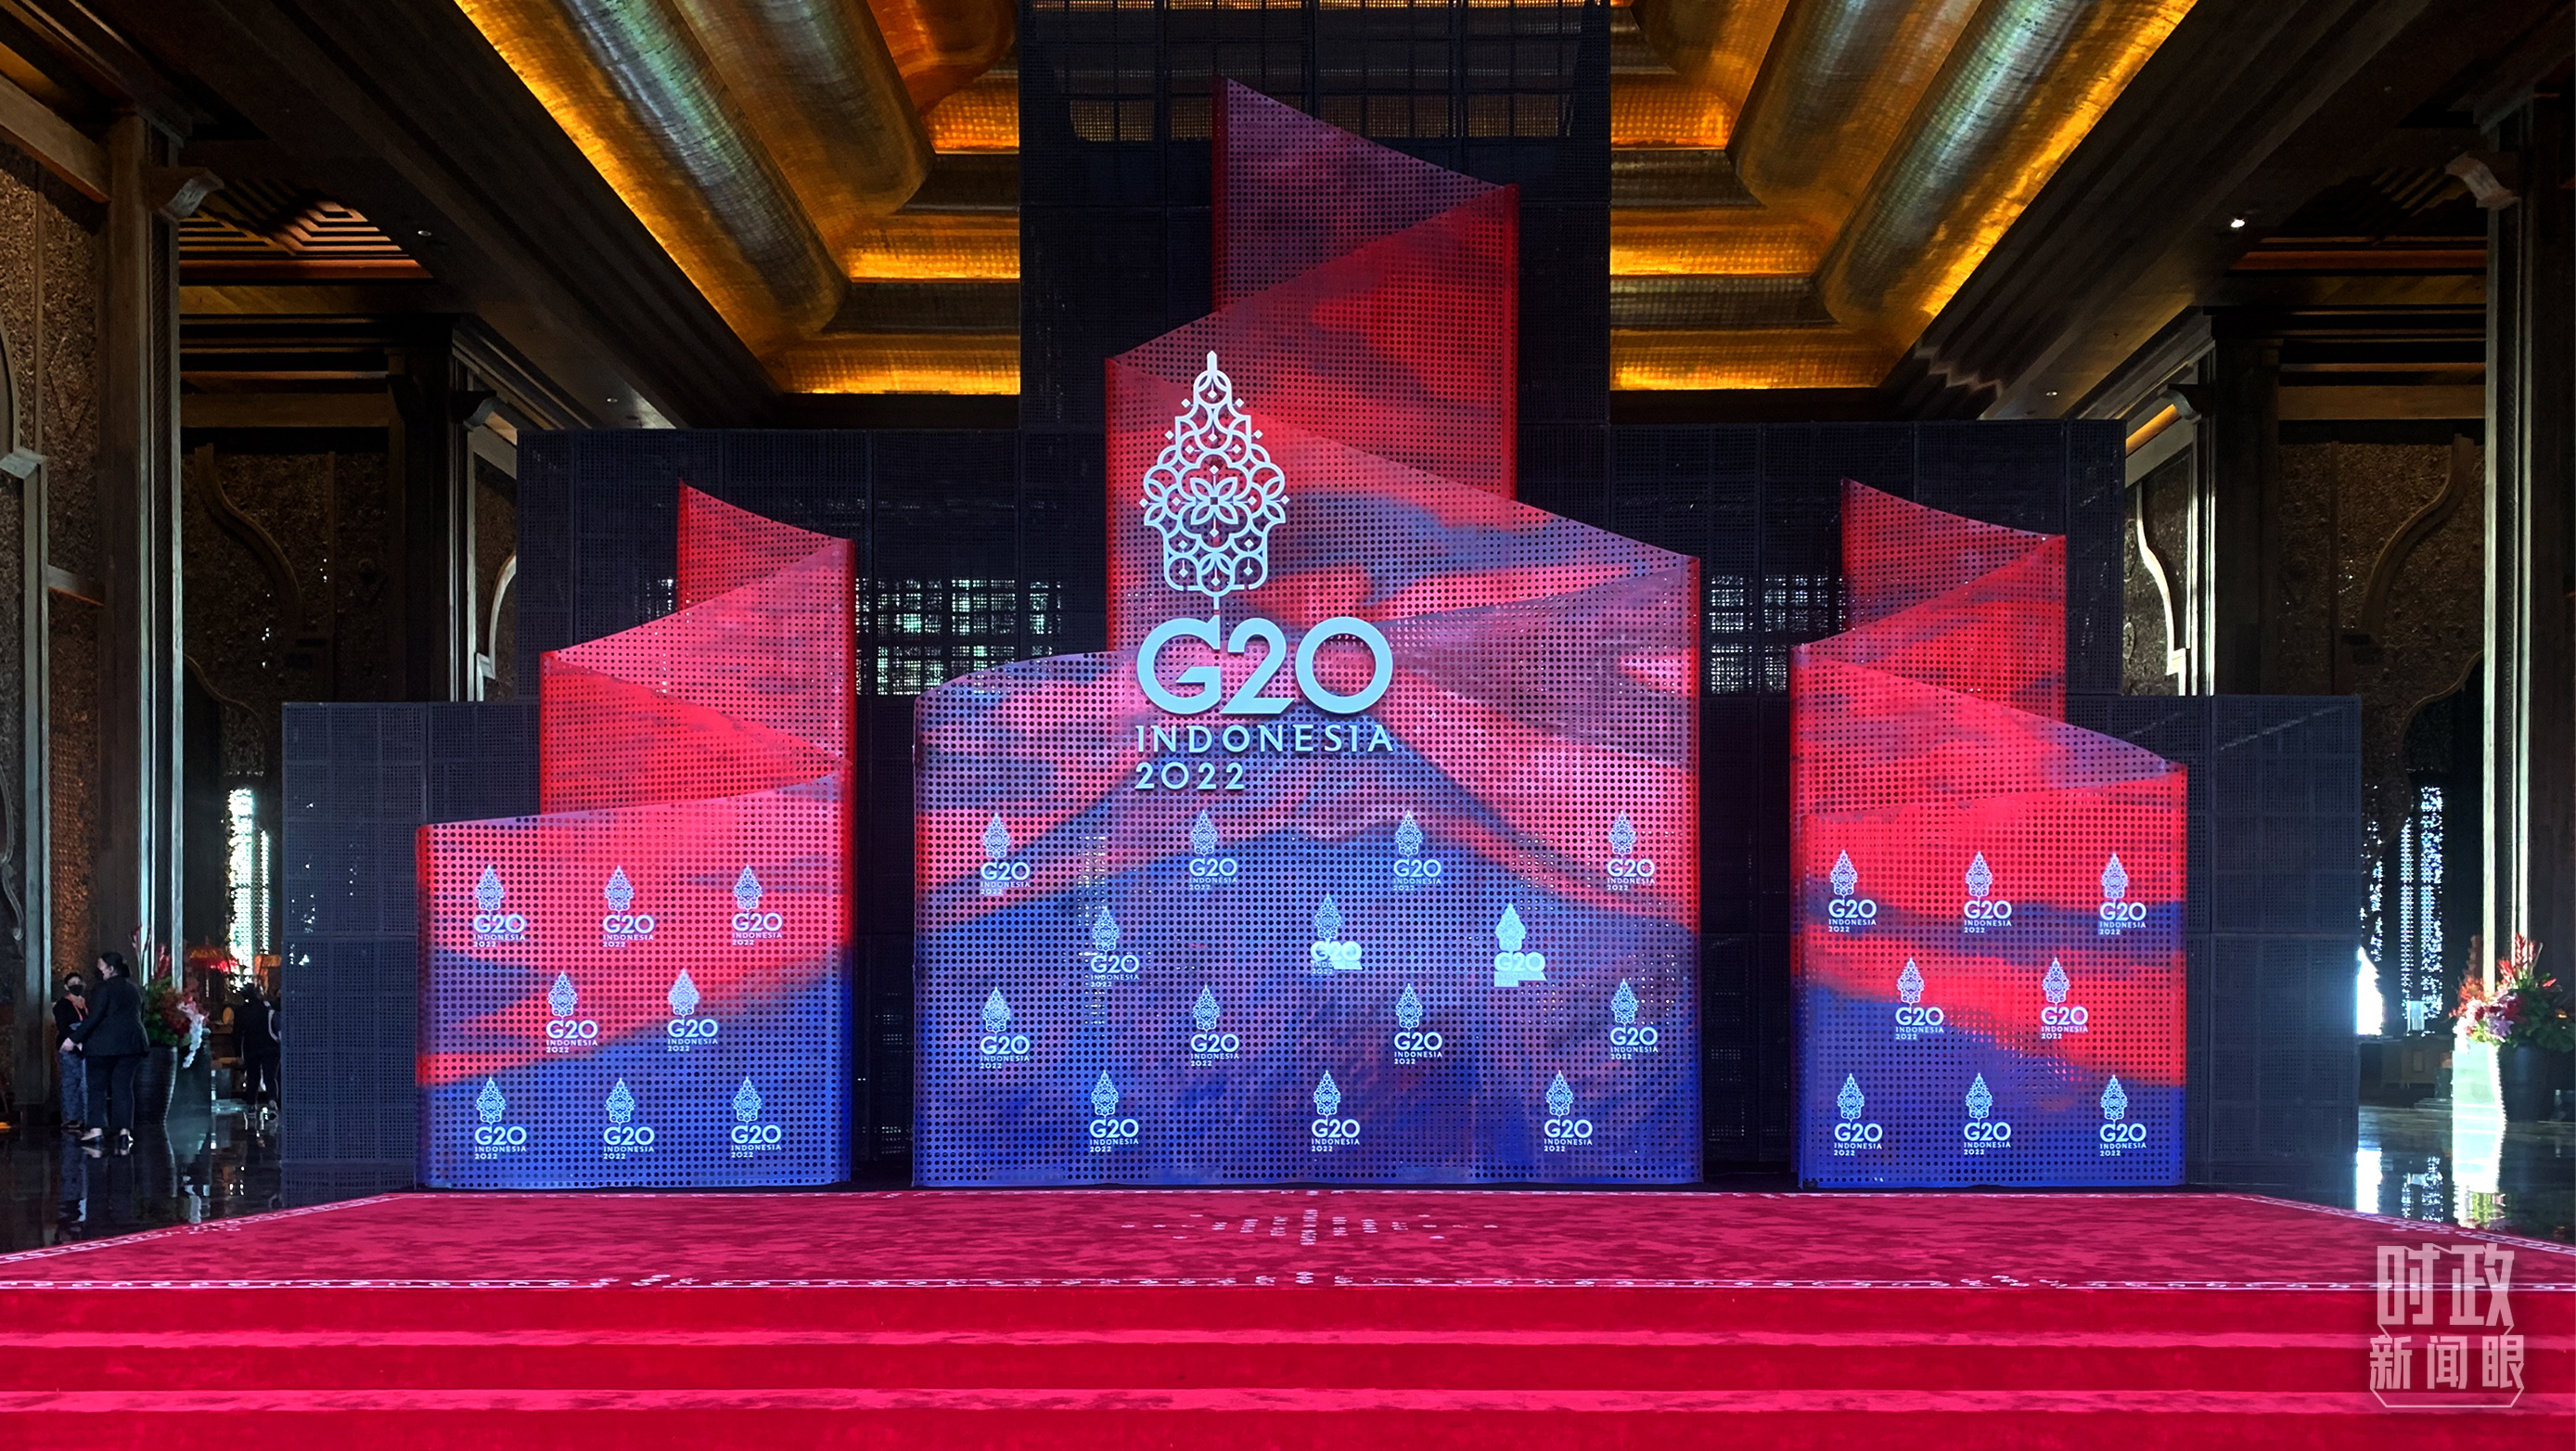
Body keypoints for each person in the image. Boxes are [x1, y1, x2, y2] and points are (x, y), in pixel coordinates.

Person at [65, 951, 147, 1152]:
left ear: (111, 968)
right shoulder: (135, 989)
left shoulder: (102, 988)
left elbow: (95, 1017)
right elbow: (140, 1016)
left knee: (97, 1087)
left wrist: (74, 1039)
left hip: (103, 1046)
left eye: (101, 965)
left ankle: (96, 1129)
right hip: (133, 1044)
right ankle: (124, 1132)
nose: (98, 969)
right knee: (123, 1087)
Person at [236, 981, 278, 1115]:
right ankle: (272, 1100)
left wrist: (238, 1053)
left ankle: (251, 1104)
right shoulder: (269, 1006)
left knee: (252, 1077)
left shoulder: (241, 1011)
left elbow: (237, 1033)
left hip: (250, 1047)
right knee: (270, 1076)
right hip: (270, 1046)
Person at [51, 974, 87, 1133]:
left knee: (85, 1082)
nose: (76, 985)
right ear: (66, 987)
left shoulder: (89, 1003)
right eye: (73, 983)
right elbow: (62, 1026)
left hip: (86, 1045)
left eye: (79, 982)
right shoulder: (62, 1005)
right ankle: (71, 1117)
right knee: (71, 1081)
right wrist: (75, 1040)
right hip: (69, 1045)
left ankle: (85, 1116)